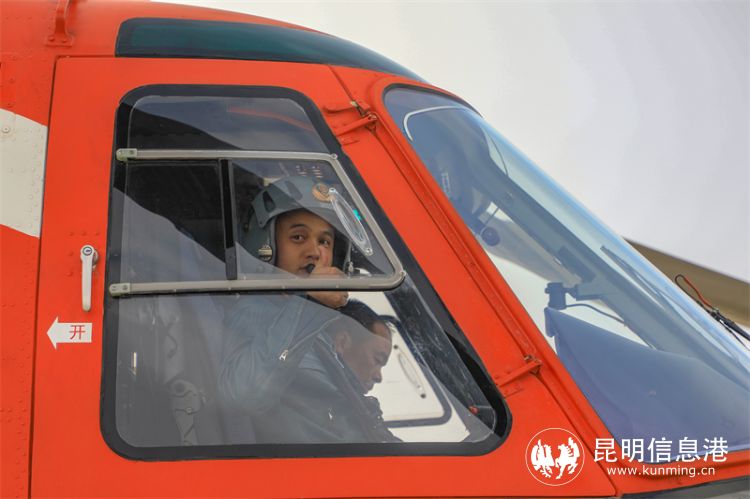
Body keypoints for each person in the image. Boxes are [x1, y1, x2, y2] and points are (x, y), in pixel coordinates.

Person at [220, 176, 397, 444]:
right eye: (298, 237)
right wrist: (309, 303)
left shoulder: (315, 327)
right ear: (265, 245)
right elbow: (246, 394)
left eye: (325, 242)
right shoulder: (253, 311)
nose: (315, 252)